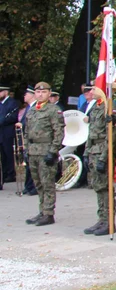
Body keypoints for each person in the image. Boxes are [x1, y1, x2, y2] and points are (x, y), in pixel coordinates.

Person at [18, 82, 65, 225]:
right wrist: (26, 149)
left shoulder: (53, 110)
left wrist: (53, 151)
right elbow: (26, 132)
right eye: (38, 92)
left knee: (47, 183)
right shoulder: (32, 110)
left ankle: (49, 213)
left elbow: (59, 132)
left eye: (43, 92)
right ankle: (42, 210)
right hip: (33, 151)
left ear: (49, 94)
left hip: (46, 151)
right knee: (38, 183)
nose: (40, 94)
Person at [82, 87, 115, 236]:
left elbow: (112, 134)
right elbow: (91, 132)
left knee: (105, 188)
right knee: (98, 187)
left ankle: (109, 221)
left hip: (102, 150)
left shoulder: (109, 107)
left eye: (93, 88)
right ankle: (102, 219)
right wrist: (86, 152)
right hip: (93, 149)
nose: (90, 92)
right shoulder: (96, 106)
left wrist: (104, 157)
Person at [0, 85, 19, 185]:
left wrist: (2, 120)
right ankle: (4, 173)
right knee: (2, 154)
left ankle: (11, 174)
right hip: (1, 132)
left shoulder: (12, 103)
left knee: (8, 153)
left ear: (5, 92)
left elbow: (12, 117)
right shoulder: (1, 103)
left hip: (8, 132)